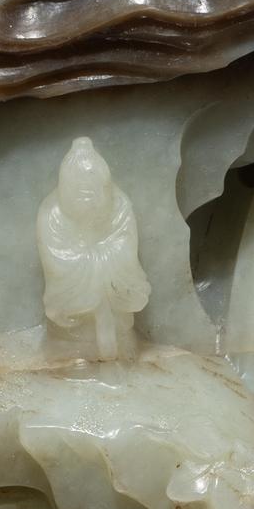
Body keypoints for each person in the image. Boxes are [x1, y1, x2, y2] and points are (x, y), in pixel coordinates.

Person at [37, 136, 152, 360]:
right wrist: (89, 263)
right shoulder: (51, 212)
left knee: (121, 301)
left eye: (93, 187)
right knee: (70, 320)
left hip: (115, 308)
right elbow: (55, 259)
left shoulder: (120, 205)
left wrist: (104, 261)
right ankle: (76, 344)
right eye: (78, 188)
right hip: (73, 307)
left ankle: (118, 342)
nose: (86, 194)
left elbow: (126, 246)